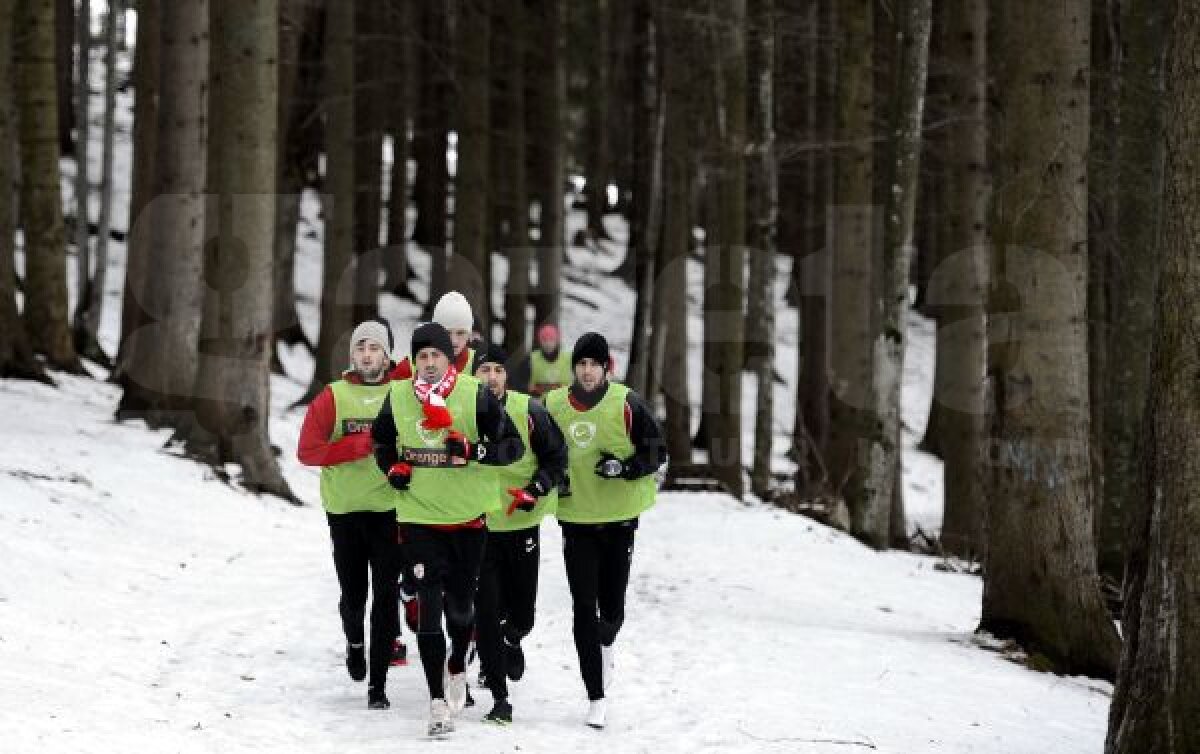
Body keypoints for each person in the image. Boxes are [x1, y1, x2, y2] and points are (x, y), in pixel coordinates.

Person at [372, 322, 525, 737]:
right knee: (428, 607)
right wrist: (392, 468)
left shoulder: (475, 394)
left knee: (460, 610)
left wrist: (475, 450)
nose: (428, 363)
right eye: (421, 356)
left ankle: (457, 661)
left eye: (435, 355)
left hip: (467, 520)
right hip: (418, 518)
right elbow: (381, 443)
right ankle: (436, 702)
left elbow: (513, 447)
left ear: (449, 358)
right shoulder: (398, 395)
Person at [543, 332, 667, 729]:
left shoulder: (627, 403)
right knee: (583, 606)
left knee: (611, 611)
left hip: (618, 519)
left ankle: (607, 642)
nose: (587, 371)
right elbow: (538, 449)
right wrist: (550, 477)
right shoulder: (554, 405)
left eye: (594, 364)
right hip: (576, 519)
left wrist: (625, 468)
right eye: (581, 364)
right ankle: (595, 695)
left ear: (606, 368)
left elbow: (657, 452)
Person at [296, 319, 403, 710]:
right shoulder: (333, 396)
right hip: (344, 511)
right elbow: (307, 452)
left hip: (390, 509)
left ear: (387, 356)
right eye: (361, 348)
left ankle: (378, 686)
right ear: (352, 355)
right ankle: (355, 641)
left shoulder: (401, 393)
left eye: (375, 348)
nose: (367, 355)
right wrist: (354, 446)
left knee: (386, 595)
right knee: (354, 597)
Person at [471, 344, 567, 725]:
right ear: (473, 376)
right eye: (484, 370)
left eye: (498, 370)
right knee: (487, 612)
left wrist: (536, 489)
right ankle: (499, 697)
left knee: (522, 615)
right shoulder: (462, 412)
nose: (492, 377)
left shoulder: (529, 411)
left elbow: (557, 458)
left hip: (523, 523)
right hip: (479, 527)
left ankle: (513, 638)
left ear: (506, 377)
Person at [390, 291, 478, 379]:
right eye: (447, 332)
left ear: (469, 334)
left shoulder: (481, 365)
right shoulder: (408, 368)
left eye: (460, 333)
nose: (454, 341)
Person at [528, 323, 572, 397]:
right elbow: (522, 385)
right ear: (540, 341)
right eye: (544, 340)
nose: (548, 344)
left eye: (551, 339)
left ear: (557, 341)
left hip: (563, 401)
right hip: (538, 402)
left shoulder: (569, 358)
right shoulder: (531, 358)